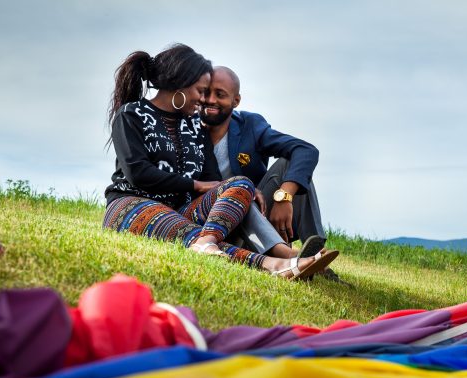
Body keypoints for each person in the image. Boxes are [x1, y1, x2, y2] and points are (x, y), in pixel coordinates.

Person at [104, 44, 336, 280]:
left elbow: (213, 178)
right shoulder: (130, 114)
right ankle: (276, 263)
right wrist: (196, 186)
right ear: (181, 84)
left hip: (181, 210)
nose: (204, 99)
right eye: (201, 90)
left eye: (211, 92)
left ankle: (208, 242)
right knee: (189, 233)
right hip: (132, 204)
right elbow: (138, 173)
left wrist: (243, 190)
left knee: (242, 184)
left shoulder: (195, 126)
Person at [200, 66, 325, 251]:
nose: (211, 100)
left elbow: (306, 151)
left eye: (220, 94)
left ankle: (316, 253)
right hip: (211, 222)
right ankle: (284, 253)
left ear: (236, 101)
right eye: (206, 92)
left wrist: (284, 196)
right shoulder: (187, 128)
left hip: (256, 214)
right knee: (241, 192)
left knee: (289, 165)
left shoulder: (250, 125)